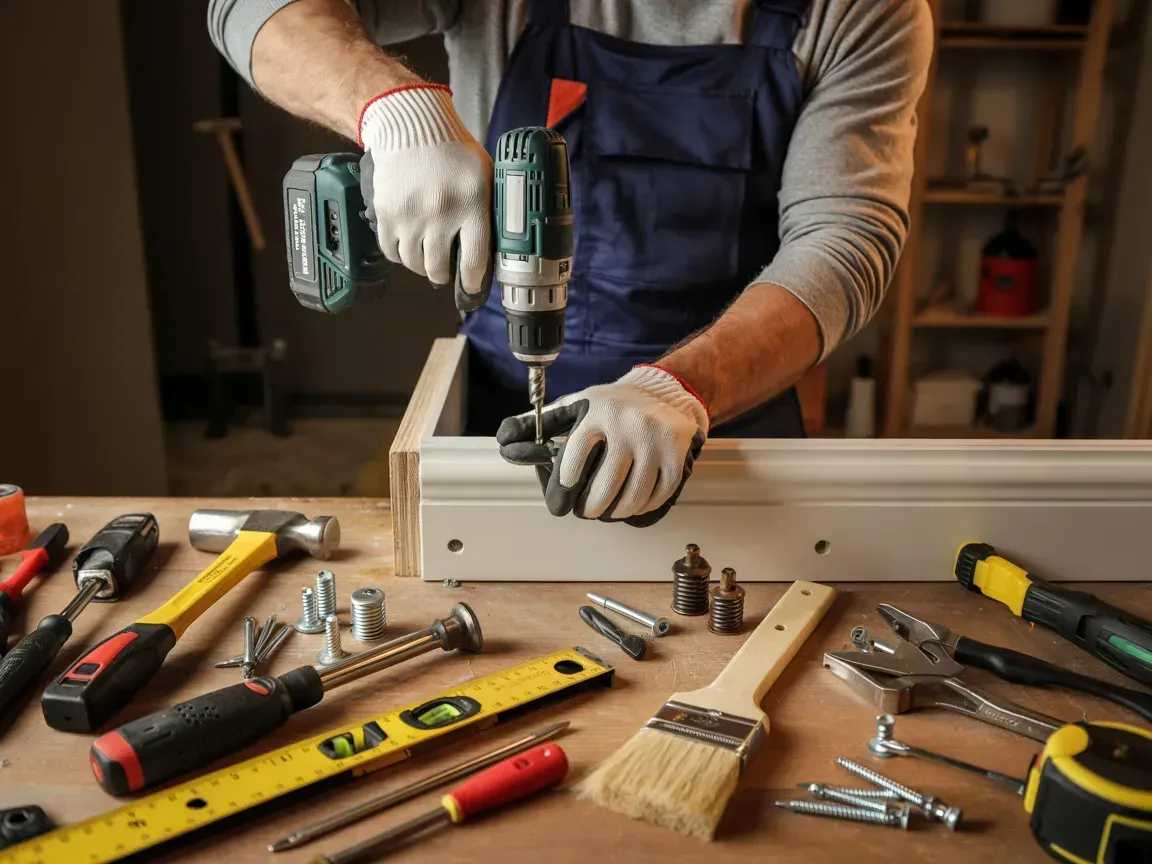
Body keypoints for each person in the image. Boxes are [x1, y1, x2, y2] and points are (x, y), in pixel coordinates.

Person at [209, 0, 932, 525]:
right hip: (507, 396)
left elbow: (842, 241)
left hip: (727, 400)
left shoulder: (863, 10)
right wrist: (393, 108)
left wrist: (679, 390)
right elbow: (248, 9)